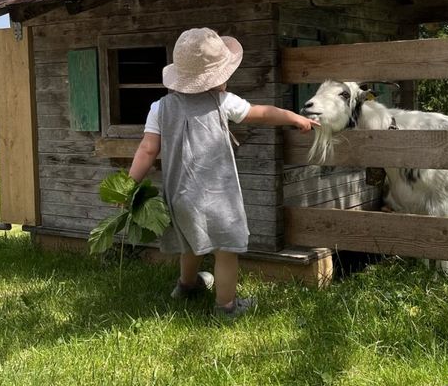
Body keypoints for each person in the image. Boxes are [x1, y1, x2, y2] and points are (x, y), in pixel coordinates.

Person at [128, 27, 319, 316]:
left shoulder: (159, 107)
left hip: (179, 194)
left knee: (190, 242)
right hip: (217, 197)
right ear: (217, 77)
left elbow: (147, 150)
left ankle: (186, 285)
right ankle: (227, 306)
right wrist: (293, 117)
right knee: (225, 250)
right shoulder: (222, 102)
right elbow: (262, 113)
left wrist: (129, 185)